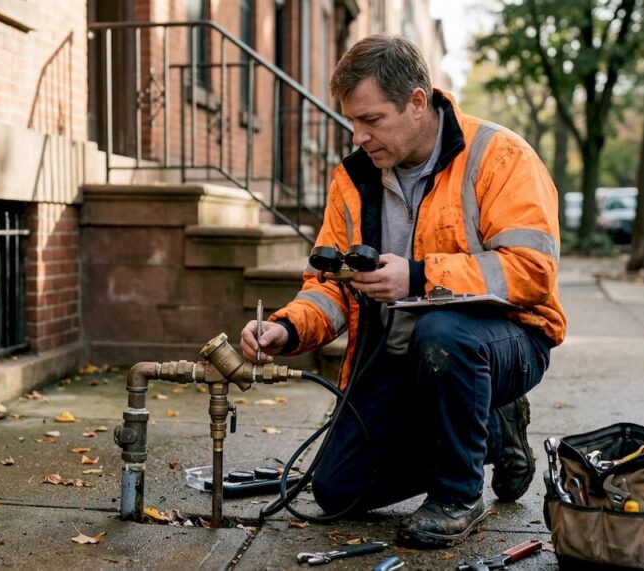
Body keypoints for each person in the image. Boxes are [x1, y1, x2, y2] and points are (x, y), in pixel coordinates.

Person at [240, 35, 566, 548]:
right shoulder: (352, 179)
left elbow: (532, 272)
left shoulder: (500, 156)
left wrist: (418, 277)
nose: (359, 136)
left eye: (371, 120)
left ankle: (457, 496)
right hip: (398, 356)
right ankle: (487, 432)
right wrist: (286, 327)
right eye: (351, 121)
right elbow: (329, 287)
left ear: (417, 101)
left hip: (506, 343)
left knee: (443, 334)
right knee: (336, 489)